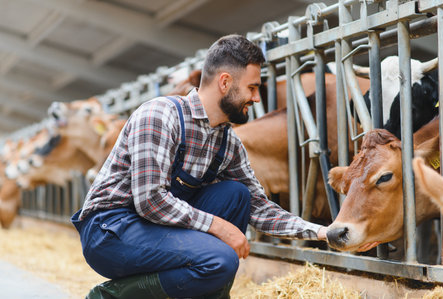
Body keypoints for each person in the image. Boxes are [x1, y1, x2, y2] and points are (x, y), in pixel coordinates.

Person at [72, 34, 327, 299]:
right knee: (221, 260)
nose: (256, 98)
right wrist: (220, 226)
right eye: (252, 88)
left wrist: (321, 232)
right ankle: (109, 296)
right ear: (225, 82)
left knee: (236, 195)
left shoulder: (227, 142)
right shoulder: (160, 115)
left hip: (155, 227)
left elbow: (258, 207)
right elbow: (150, 200)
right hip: (110, 231)